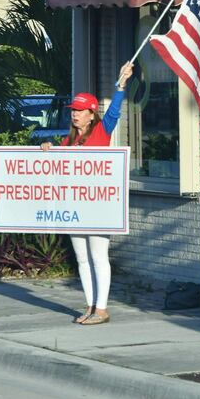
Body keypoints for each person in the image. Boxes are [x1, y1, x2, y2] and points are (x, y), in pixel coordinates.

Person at [41, 62, 134, 325]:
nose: (75, 115)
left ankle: (102, 309)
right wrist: (47, 149)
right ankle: (90, 306)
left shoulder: (102, 131)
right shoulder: (67, 141)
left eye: (80, 111)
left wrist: (121, 84)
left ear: (92, 114)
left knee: (97, 255)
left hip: (98, 205)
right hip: (75, 205)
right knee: (82, 258)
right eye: (73, 110)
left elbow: (115, 111)